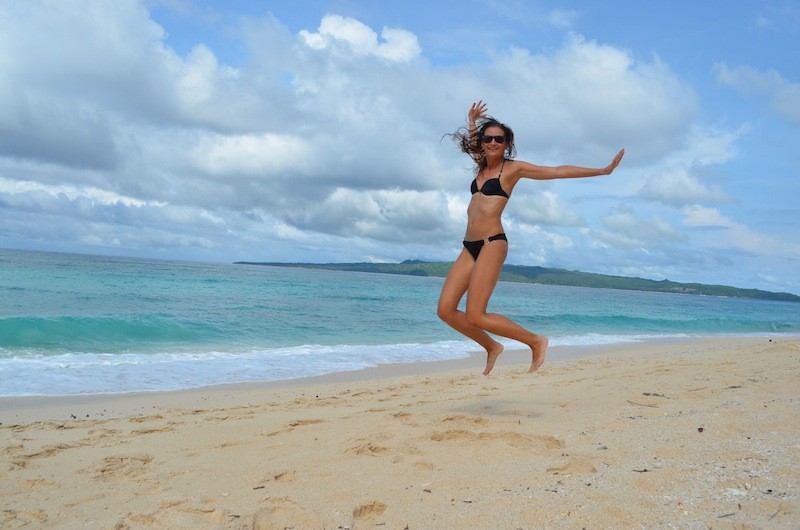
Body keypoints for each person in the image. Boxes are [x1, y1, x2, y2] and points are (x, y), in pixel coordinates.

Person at [437, 101, 625, 376]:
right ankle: (491, 347)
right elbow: (475, 143)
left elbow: (557, 171)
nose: (492, 143)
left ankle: (535, 341)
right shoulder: (481, 167)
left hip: (492, 243)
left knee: (476, 314)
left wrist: (602, 170)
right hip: (469, 246)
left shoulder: (513, 170)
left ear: (506, 145)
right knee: (445, 310)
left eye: (498, 139)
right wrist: (471, 122)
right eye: (487, 138)